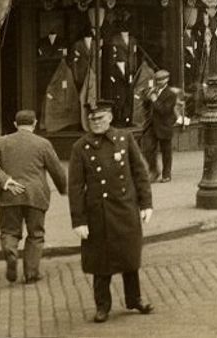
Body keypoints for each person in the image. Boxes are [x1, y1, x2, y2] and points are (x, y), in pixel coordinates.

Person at [68, 100, 154, 323]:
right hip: (98, 213)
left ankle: (134, 299)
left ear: (110, 117)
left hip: (125, 208)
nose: (96, 122)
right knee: (100, 263)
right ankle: (102, 306)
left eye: (100, 118)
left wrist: (146, 204)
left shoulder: (124, 139)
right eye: (92, 119)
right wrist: (79, 220)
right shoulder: (81, 147)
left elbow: (140, 173)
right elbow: (75, 187)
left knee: (129, 257)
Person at [0, 110, 68, 284]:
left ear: (15, 124)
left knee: (9, 231)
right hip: (36, 195)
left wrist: (6, 181)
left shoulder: (2, 142)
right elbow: (57, 170)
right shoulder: (43, 144)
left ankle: (11, 252)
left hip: (10, 195)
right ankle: (31, 273)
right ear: (35, 123)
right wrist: (63, 188)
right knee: (36, 234)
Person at [139, 70, 179, 183]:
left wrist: (155, 100)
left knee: (166, 151)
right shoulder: (154, 91)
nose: (159, 82)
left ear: (167, 80)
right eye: (157, 80)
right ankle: (154, 170)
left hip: (164, 125)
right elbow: (146, 107)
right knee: (147, 149)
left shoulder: (171, 94)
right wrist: (146, 98)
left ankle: (166, 174)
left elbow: (165, 110)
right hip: (151, 125)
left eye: (162, 80)